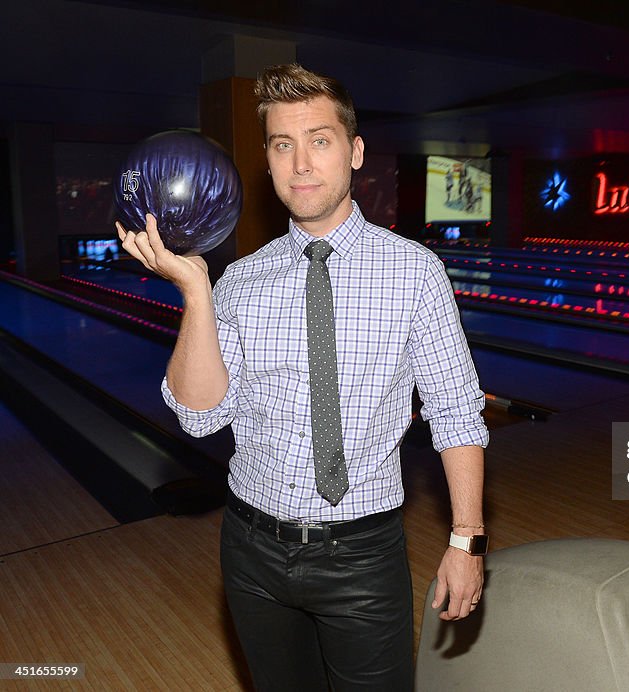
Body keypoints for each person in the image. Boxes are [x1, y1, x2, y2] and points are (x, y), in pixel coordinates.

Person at [116, 63, 489, 691]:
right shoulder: (241, 282)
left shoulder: (415, 273)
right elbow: (201, 415)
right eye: (283, 144)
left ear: (355, 151)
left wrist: (467, 541)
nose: (301, 163)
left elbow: (456, 412)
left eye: (319, 140)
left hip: (364, 557)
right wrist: (197, 293)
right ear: (266, 159)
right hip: (252, 550)